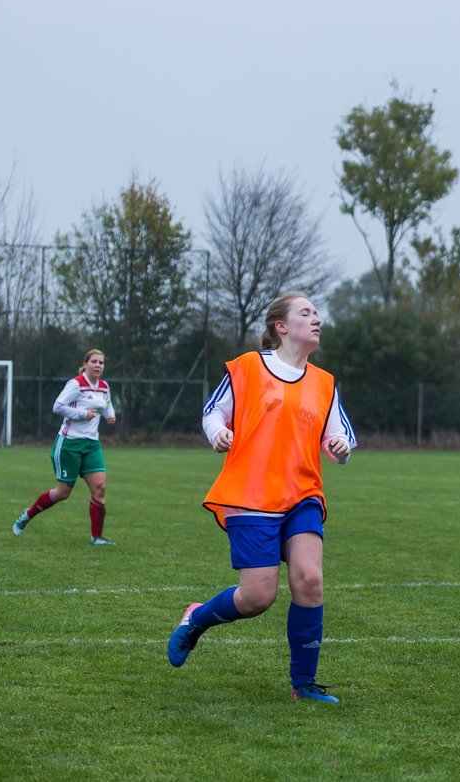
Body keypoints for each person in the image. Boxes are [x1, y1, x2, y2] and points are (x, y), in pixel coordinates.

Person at [166, 292, 356, 704]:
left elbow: (339, 433)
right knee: (257, 597)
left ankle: (303, 684)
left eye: (317, 312)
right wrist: (217, 432)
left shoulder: (325, 383)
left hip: (302, 494)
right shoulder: (249, 367)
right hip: (250, 494)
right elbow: (213, 412)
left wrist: (340, 446)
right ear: (281, 326)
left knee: (309, 579)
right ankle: (196, 619)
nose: (316, 318)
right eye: (306, 312)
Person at [12, 350, 118, 544]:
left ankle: (96, 538)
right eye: (94, 361)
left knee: (100, 489)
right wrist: (81, 413)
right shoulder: (76, 384)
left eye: (101, 363)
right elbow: (58, 406)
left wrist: (110, 414)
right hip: (69, 443)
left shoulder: (104, 386)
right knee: (62, 493)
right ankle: (27, 515)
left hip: (92, 444)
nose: (98, 365)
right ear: (85, 364)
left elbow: (107, 403)